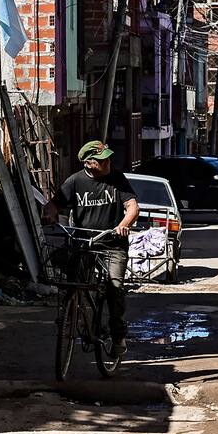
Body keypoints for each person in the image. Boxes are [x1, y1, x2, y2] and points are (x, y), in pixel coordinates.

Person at [42, 141, 140, 353]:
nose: (108, 162)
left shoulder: (117, 178)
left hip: (113, 245)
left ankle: (118, 337)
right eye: (103, 159)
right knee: (73, 281)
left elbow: (133, 207)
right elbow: (53, 203)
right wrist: (49, 213)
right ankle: (71, 314)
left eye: (108, 158)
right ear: (89, 163)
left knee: (115, 288)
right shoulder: (75, 182)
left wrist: (123, 225)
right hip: (83, 244)